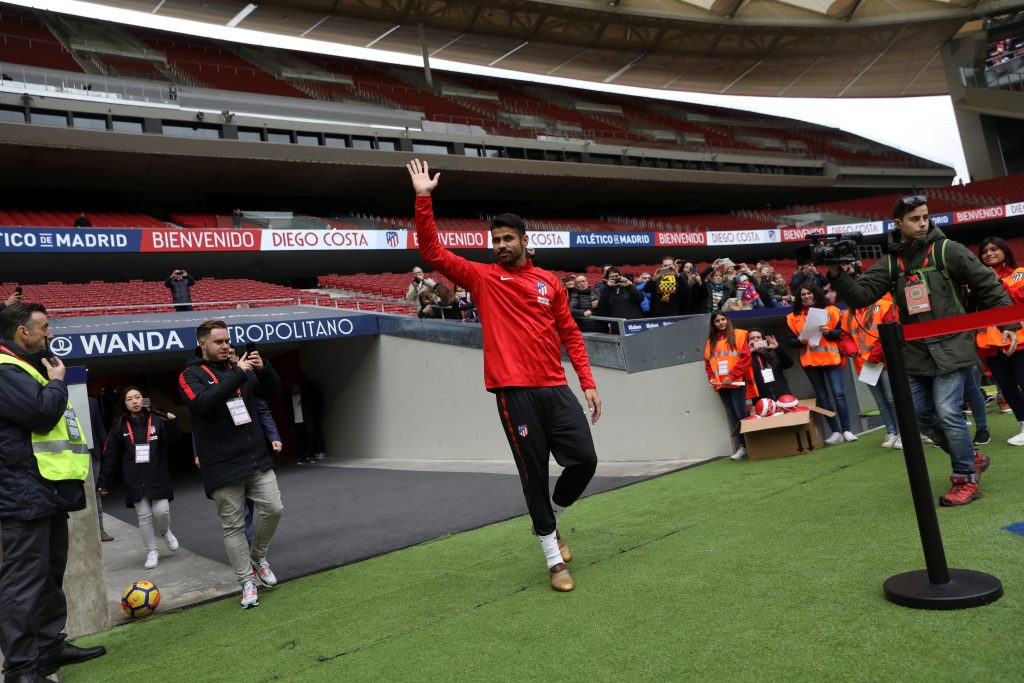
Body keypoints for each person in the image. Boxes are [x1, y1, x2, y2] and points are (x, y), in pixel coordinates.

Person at [407, 159, 601, 593]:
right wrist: (424, 199)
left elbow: (570, 332)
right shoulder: (482, 278)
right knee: (532, 472)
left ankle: (552, 518)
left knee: (585, 460)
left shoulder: (550, 283)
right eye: (495, 240)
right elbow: (433, 253)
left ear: (525, 241)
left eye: (507, 239)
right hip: (513, 393)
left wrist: (587, 381)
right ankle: (554, 561)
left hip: (555, 387)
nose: (499, 245)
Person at [827, 195, 1017, 507]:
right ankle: (970, 457)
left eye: (925, 217)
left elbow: (988, 284)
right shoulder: (891, 262)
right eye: (914, 218)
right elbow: (861, 297)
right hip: (914, 352)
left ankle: (965, 477)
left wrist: (1010, 326)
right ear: (898, 224)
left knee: (948, 413)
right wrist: (837, 273)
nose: (922, 223)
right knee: (918, 415)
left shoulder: (948, 250)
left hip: (953, 347)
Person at [0, 303, 107, 680]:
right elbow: (43, 414)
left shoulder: (25, 367)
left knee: (48, 575)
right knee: (22, 584)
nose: (50, 333)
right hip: (21, 492)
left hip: (45, 490)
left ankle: (48, 649)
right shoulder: (4, 369)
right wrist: (59, 382)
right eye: (44, 327)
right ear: (21, 333)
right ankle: (21, 669)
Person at [178, 320, 283, 608]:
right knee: (233, 526)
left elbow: (272, 392)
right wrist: (238, 373)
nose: (226, 346)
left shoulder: (239, 368)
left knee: (274, 508)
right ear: (203, 344)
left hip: (255, 457)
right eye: (218, 342)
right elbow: (203, 404)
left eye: (227, 341)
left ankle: (258, 556)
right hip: (222, 464)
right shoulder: (190, 374)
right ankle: (247, 582)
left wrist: (264, 367)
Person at [96, 388, 180, 570]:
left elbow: (173, 443)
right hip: (134, 477)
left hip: (157, 473)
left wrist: (172, 424)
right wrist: (104, 481)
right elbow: (111, 455)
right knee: (144, 516)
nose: (134, 401)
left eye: (137, 397)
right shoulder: (119, 425)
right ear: (124, 404)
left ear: (143, 399)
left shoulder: (157, 419)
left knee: (162, 512)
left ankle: (165, 532)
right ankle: (151, 551)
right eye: (129, 399)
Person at [786, 281, 855, 445]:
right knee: (823, 398)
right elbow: (790, 342)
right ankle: (836, 432)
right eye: (803, 294)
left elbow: (842, 333)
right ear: (799, 297)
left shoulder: (832, 310)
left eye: (809, 293)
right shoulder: (792, 317)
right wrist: (800, 341)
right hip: (810, 361)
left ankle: (847, 430)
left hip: (831, 358)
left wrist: (830, 333)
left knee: (839, 394)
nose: (806, 296)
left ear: (815, 293)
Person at [976, 236, 1024, 446]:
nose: (989, 253)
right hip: (990, 342)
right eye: (985, 251)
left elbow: (1016, 296)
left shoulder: (1019, 273)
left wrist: (992, 283)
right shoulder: (974, 281)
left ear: (1005, 251)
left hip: (1019, 338)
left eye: (994, 249)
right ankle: (1023, 424)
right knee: (1006, 385)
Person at [840, 293, 902, 448]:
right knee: (880, 401)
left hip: (884, 361)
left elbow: (890, 332)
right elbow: (845, 335)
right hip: (864, 364)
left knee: (892, 399)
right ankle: (891, 432)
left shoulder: (884, 305)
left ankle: (903, 433)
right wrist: (850, 347)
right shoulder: (848, 313)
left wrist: (874, 356)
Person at [704, 312, 753, 461]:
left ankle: (751, 445)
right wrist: (712, 379)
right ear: (713, 324)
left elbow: (746, 358)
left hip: (736, 381)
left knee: (741, 414)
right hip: (721, 385)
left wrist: (731, 376)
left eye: (723, 319)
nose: (721, 322)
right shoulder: (710, 342)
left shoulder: (739, 335)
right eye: (717, 321)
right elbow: (708, 364)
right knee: (732, 417)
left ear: (727, 320)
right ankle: (742, 447)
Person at [87, 396, 113, 542]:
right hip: (71, 454)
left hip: (93, 452)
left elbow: (98, 427)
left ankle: (100, 530)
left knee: (96, 493)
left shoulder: (92, 401)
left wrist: (107, 450)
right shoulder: (60, 398)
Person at [746, 328, 794, 401]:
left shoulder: (773, 351)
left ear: (763, 340)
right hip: (762, 401)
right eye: (752, 338)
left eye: (758, 337)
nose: (756, 339)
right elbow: (744, 374)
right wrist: (748, 354)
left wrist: (778, 348)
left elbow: (788, 364)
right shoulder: (747, 357)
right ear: (748, 342)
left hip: (783, 397)